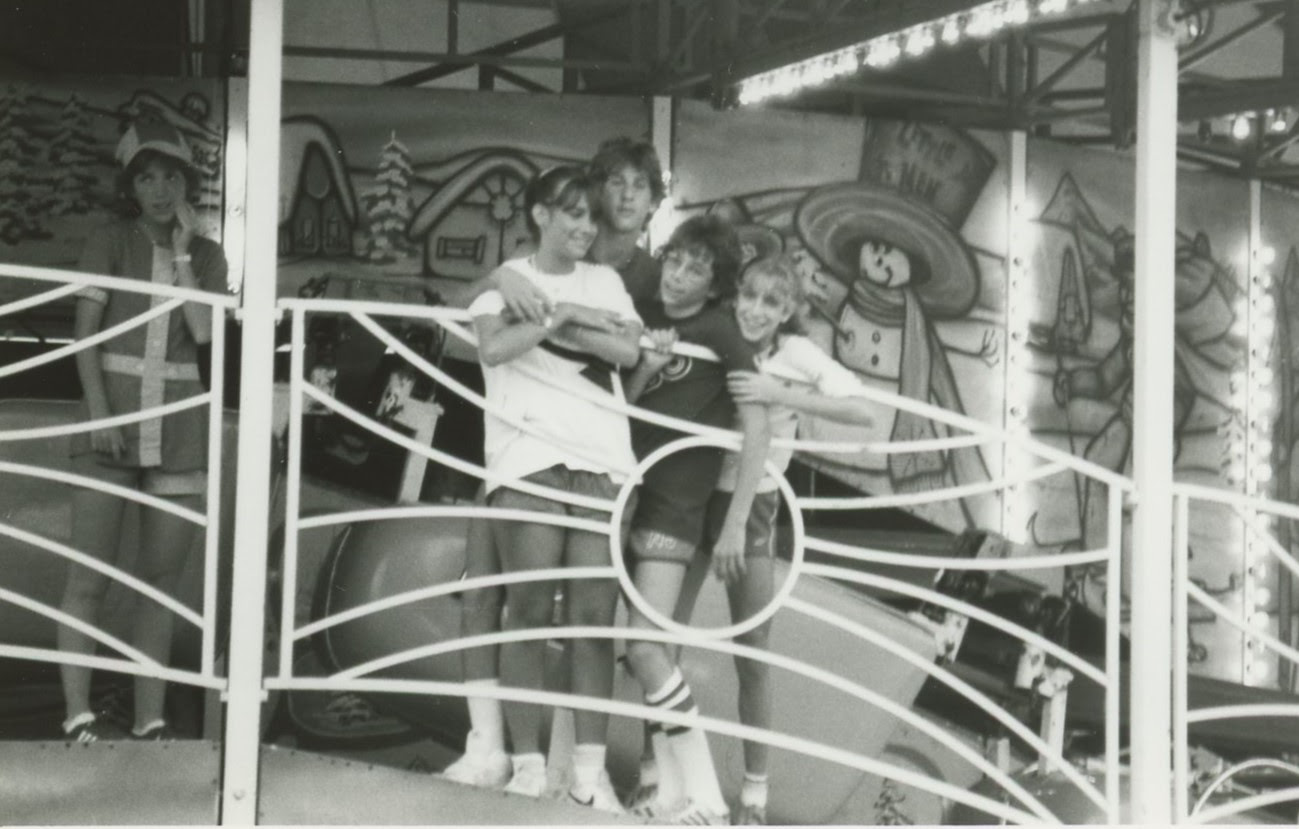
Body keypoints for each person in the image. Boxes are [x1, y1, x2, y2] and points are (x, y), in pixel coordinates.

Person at [441, 137, 664, 793]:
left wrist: (559, 311)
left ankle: (589, 778)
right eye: (570, 212)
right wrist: (560, 315)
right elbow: (494, 346)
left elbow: (625, 352)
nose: (583, 225)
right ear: (537, 212)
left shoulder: (606, 280)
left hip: (601, 464)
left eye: (590, 216)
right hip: (528, 460)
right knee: (529, 610)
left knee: (593, 622)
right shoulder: (506, 277)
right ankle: (528, 763)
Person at [672, 254, 878, 824]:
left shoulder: (795, 354)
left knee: (754, 651)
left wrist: (779, 392)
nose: (757, 310)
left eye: (772, 302)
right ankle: (660, 776)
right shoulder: (714, 332)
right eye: (751, 296)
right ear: (736, 294)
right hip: (690, 488)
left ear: (789, 311)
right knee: (664, 638)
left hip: (754, 501)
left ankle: (755, 794)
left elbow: (862, 410)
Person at [59, 120, 227, 742]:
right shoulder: (109, 240)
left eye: (172, 176)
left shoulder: (207, 255)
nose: (161, 189)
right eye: (148, 177)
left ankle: (149, 719)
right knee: (89, 578)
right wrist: (100, 412)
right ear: (131, 185)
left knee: (159, 582)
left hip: (179, 430)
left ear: (188, 182)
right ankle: (78, 716)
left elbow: (206, 335)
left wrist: (184, 253)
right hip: (111, 426)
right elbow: (86, 337)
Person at [621, 214, 772, 825]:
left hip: (674, 505)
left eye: (696, 268)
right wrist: (646, 368)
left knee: (645, 649)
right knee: (621, 647)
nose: (678, 275)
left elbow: (756, 424)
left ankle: (706, 799)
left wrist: (735, 522)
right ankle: (668, 794)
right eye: (675, 259)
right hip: (620, 494)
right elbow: (619, 405)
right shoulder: (641, 309)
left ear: (715, 287)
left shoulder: (720, 331)